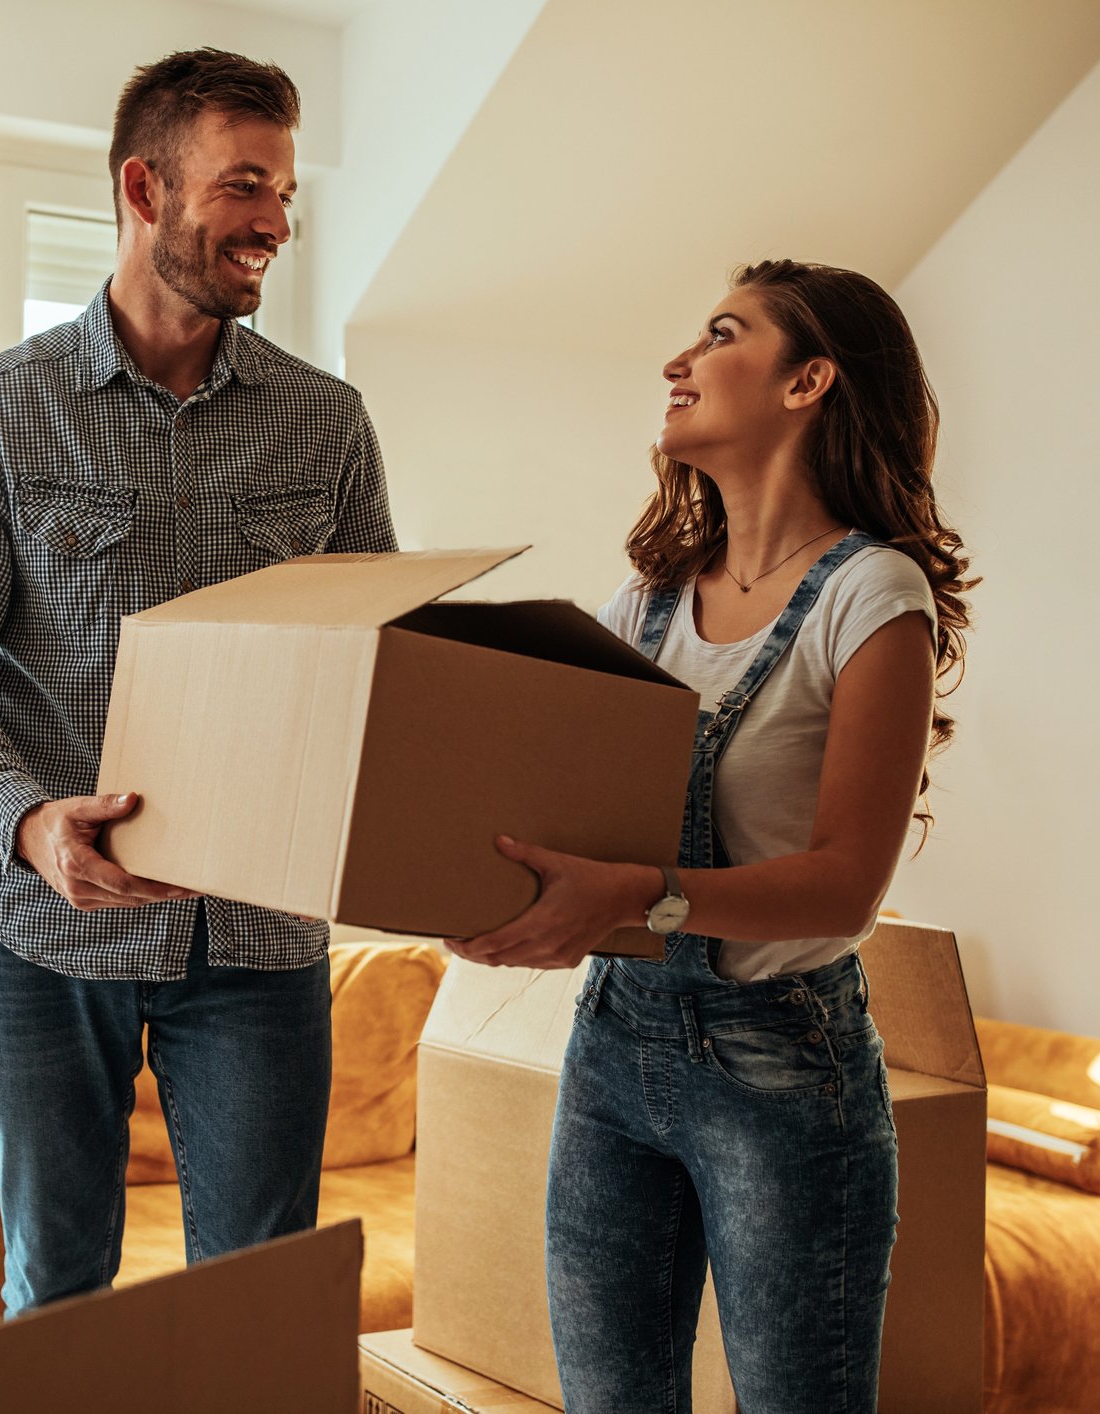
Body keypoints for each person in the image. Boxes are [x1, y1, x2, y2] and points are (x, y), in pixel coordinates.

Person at [0, 48, 397, 1318]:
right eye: (244, 185)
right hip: (41, 929)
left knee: (260, 1299)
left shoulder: (327, 425)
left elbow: (378, 659)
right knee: (58, 1291)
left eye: (285, 193)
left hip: (259, 937)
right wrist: (32, 821)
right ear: (145, 187)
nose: (273, 222)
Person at [449, 260, 975, 1410]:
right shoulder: (642, 604)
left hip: (782, 1069)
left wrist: (640, 897)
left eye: (722, 333)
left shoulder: (871, 596)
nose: (678, 361)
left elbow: (844, 890)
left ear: (810, 380)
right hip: (612, 1046)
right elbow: (548, 804)